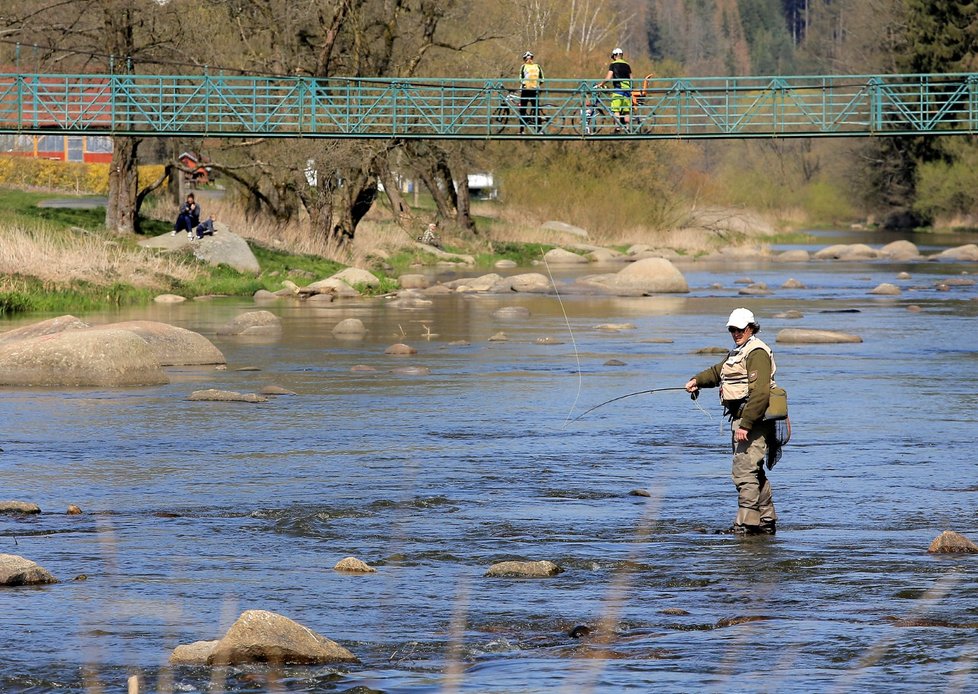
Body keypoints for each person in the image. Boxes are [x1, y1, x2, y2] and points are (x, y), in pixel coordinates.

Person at [685, 308, 779, 536]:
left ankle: (746, 525)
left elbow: (760, 394)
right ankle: (765, 521)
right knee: (754, 472)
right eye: (732, 329)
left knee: (744, 472)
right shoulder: (739, 352)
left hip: (753, 422)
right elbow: (718, 372)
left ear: (751, 328)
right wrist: (697, 380)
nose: (735, 333)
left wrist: (745, 425)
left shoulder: (757, 352)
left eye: (740, 329)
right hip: (745, 420)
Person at [596, 47, 632, 131]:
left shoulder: (613, 65)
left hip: (618, 89)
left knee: (616, 109)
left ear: (615, 56)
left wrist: (601, 84)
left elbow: (608, 78)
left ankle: (617, 127)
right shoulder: (627, 65)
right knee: (626, 110)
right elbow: (631, 78)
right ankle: (628, 127)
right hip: (627, 90)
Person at [519, 51, 543, 134]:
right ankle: (539, 130)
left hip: (525, 90)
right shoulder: (538, 66)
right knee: (536, 109)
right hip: (534, 90)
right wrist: (537, 85)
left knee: (522, 110)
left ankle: (522, 130)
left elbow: (520, 79)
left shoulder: (523, 67)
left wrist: (524, 84)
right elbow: (542, 79)